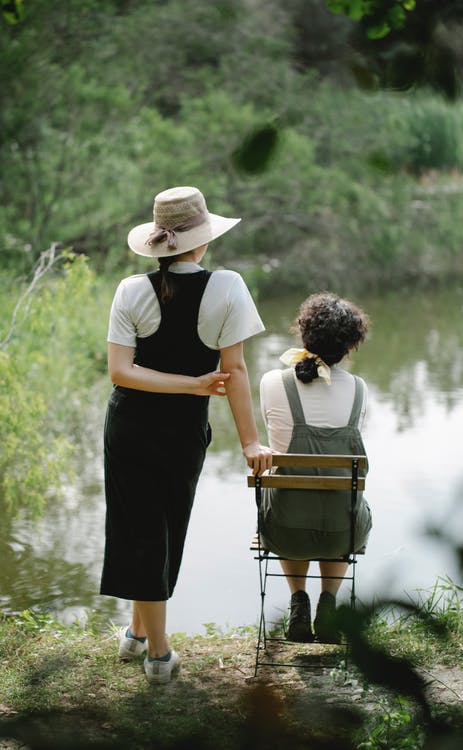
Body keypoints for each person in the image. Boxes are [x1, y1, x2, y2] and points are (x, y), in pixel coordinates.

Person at [100, 186, 273, 684]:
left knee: (143, 526)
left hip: (129, 423)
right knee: (162, 528)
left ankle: (135, 635)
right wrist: (248, 442)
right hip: (182, 429)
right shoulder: (229, 286)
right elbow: (235, 372)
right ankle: (159, 656)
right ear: (201, 240)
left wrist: (192, 387)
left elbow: (122, 373)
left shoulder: (131, 290)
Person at [259, 292, 372, 644]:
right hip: (343, 531)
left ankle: (299, 603)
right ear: (350, 346)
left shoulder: (272, 383)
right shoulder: (359, 390)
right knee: (340, 502)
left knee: (290, 496)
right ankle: (328, 605)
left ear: (303, 334)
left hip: (285, 528)